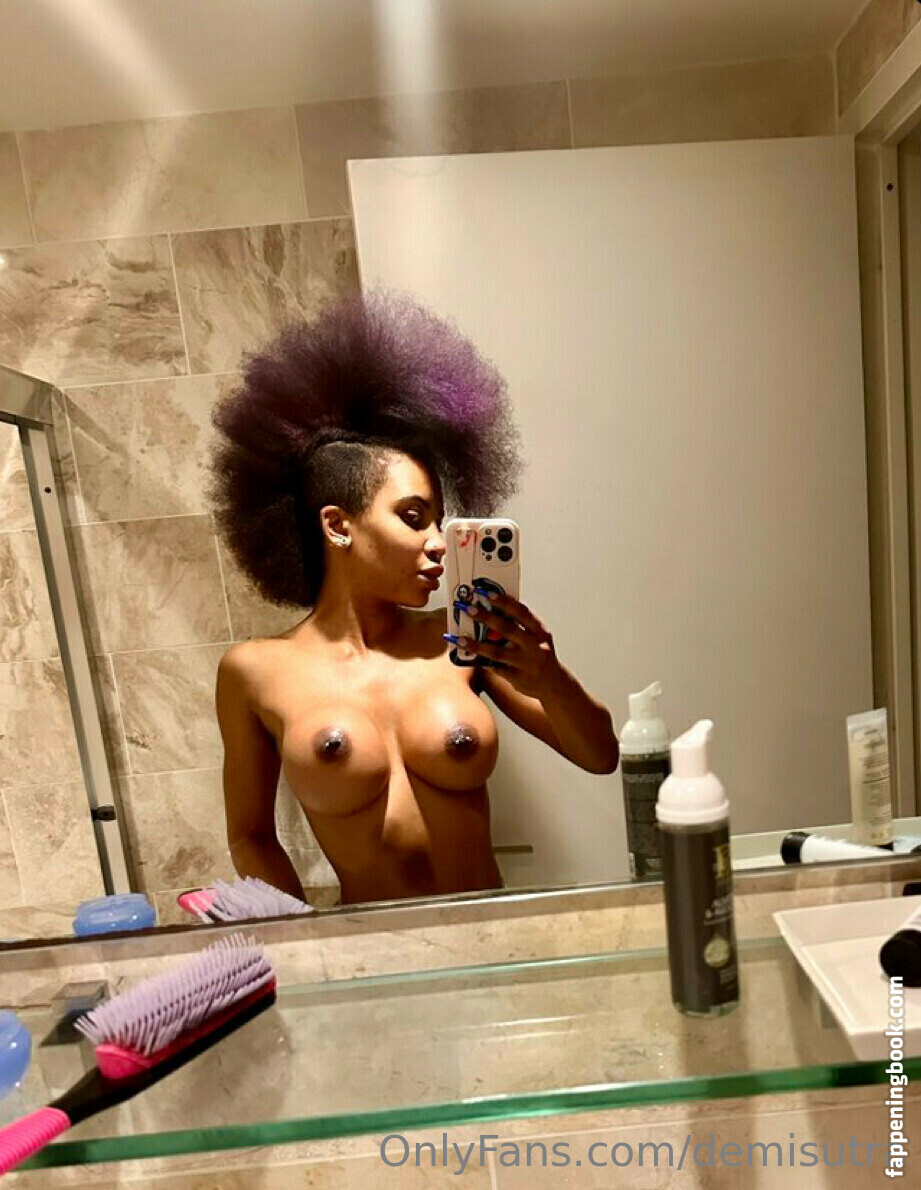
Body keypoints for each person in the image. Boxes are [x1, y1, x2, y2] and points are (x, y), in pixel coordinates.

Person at [207, 288, 618, 906]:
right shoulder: (254, 672)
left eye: (440, 522)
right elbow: (251, 836)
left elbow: (601, 755)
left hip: (492, 933)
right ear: (338, 525)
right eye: (413, 517)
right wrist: (304, 940)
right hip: (369, 947)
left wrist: (549, 675)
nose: (438, 543)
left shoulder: (460, 639)